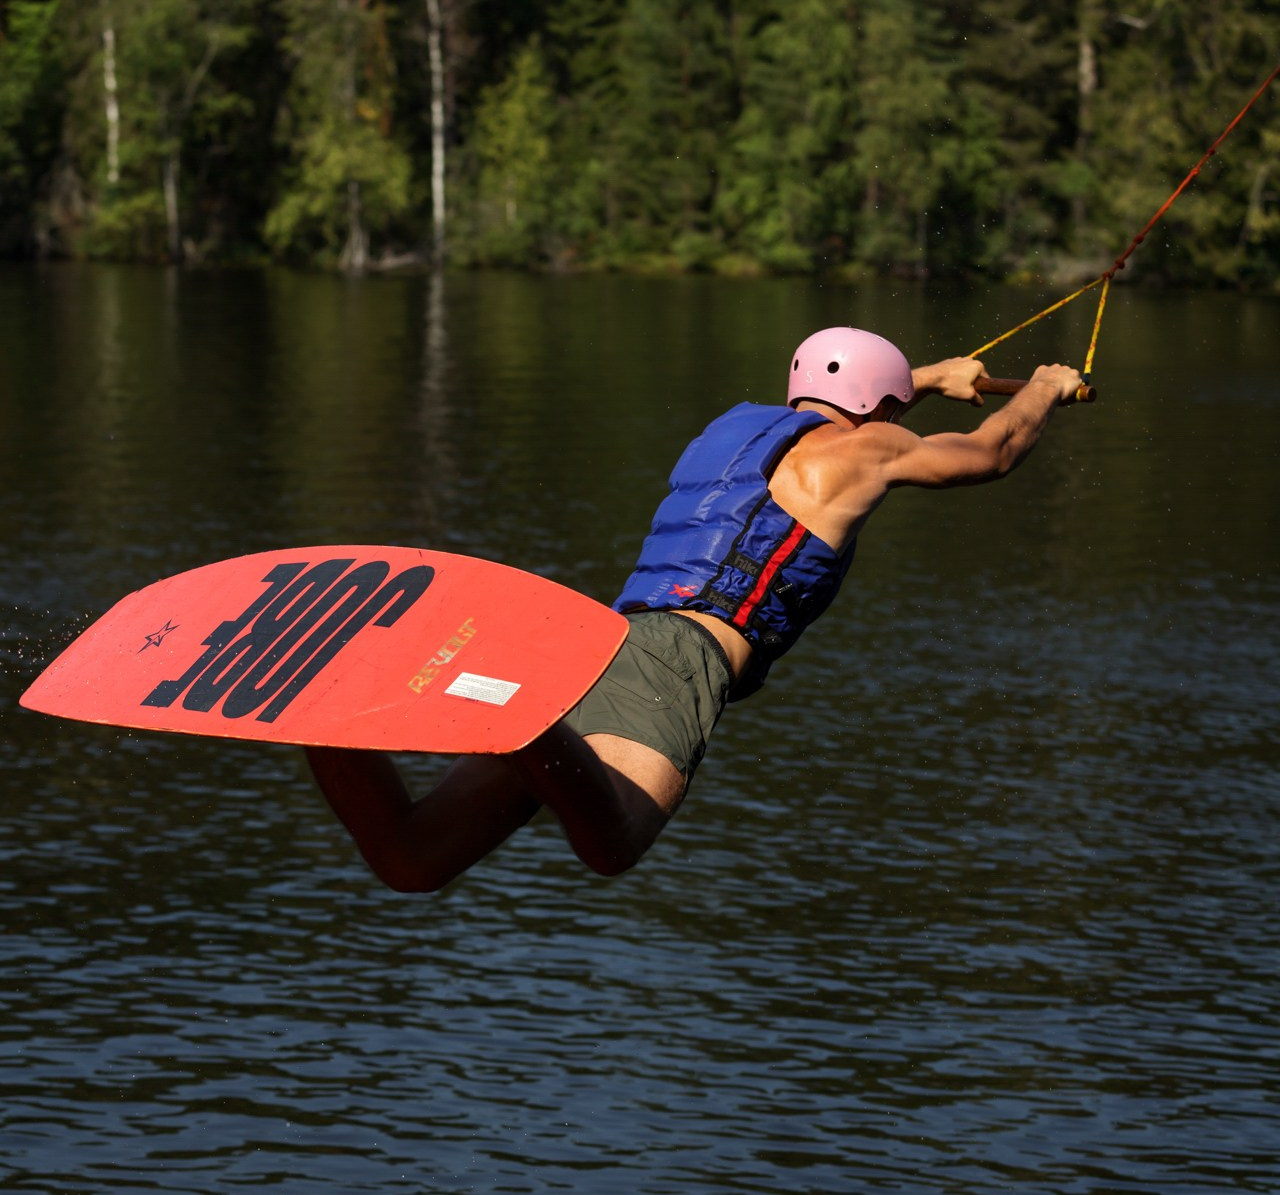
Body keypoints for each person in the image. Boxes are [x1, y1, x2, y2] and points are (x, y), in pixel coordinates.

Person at [307, 328, 1083, 890]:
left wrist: (927, 374)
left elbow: (846, 420)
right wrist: (1045, 387)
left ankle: (322, 721)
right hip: (680, 663)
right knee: (612, 841)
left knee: (409, 859)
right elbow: (993, 451)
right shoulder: (864, 453)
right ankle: (518, 719)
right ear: (883, 411)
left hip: (599, 646)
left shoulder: (736, 430)